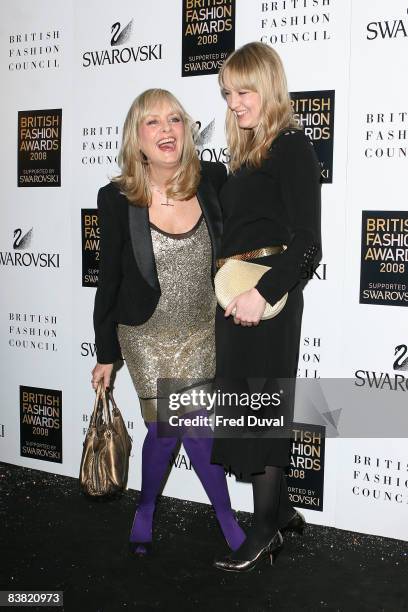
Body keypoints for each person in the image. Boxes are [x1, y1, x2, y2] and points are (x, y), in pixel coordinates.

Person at [91, 89, 245, 555]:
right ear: (137, 138)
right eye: (153, 122)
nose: (166, 129)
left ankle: (147, 508)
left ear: (187, 131)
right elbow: (109, 278)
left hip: (201, 329)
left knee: (177, 426)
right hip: (146, 335)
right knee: (181, 425)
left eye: (175, 119)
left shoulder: (213, 180)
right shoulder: (118, 198)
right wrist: (105, 354)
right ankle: (224, 519)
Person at [210, 42, 322, 572]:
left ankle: (264, 530)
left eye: (244, 91)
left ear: (269, 88)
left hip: (268, 299)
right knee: (245, 407)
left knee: (261, 410)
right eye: (228, 92)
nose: (234, 102)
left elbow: (307, 244)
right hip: (238, 295)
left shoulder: (292, 147)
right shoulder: (246, 155)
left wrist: (265, 293)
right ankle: (280, 512)